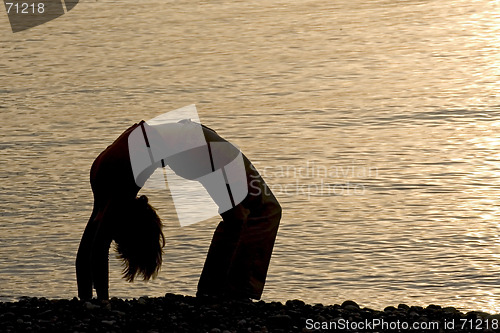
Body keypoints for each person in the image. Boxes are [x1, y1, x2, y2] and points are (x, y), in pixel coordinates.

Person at [75, 120, 282, 300]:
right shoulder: (120, 178)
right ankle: (231, 292)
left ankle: (214, 291)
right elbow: (96, 246)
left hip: (190, 145)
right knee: (264, 209)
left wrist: (94, 300)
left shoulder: (108, 173)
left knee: (240, 216)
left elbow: (93, 246)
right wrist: (100, 302)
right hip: (192, 146)